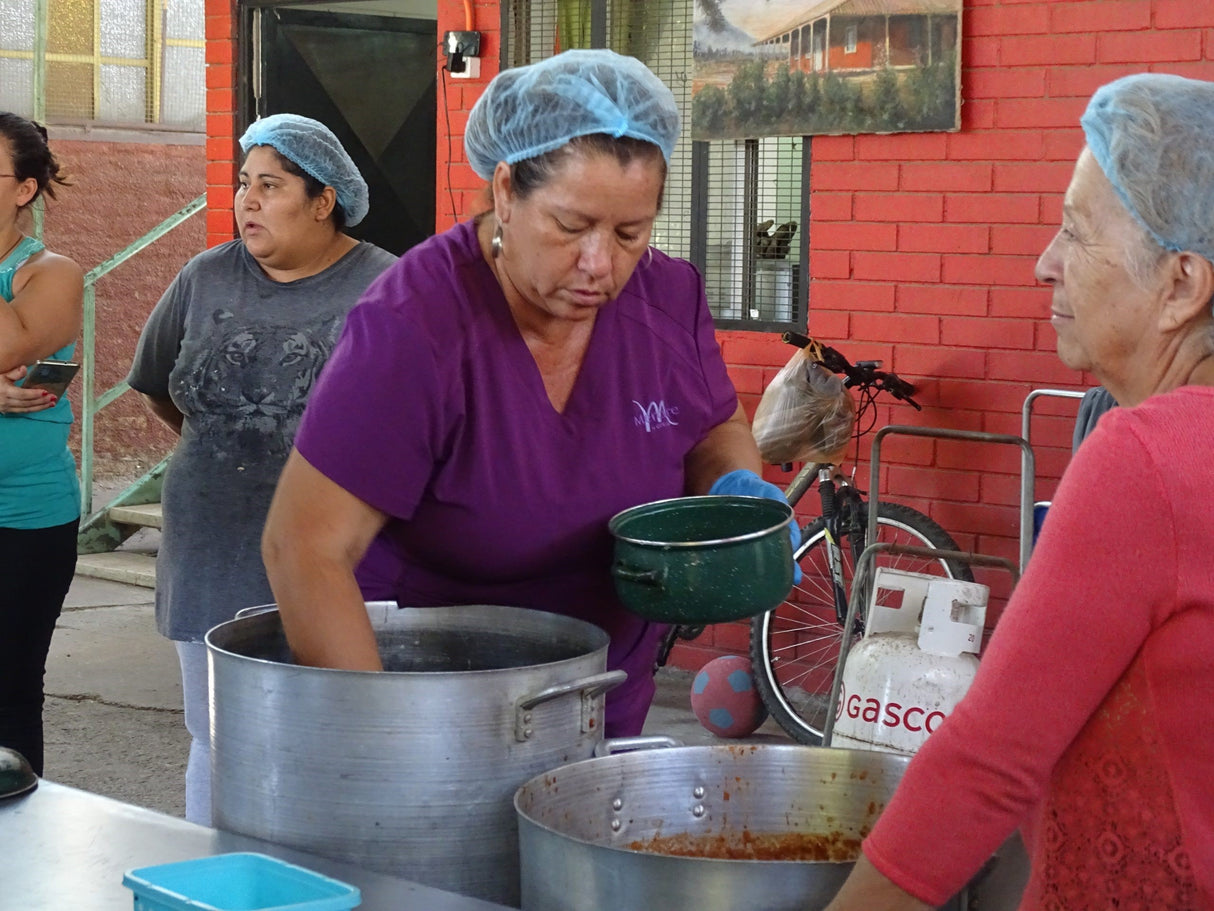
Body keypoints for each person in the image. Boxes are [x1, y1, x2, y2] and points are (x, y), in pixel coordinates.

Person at [260, 49, 793, 738]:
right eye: (570, 227)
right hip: (437, 707)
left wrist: (733, 490)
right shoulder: (414, 326)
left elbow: (713, 425)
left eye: (631, 232)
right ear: (506, 191)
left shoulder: (668, 294)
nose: (600, 263)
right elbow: (303, 548)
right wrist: (385, 740)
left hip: (603, 697)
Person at [825, 73, 1214, 910]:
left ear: (1182, 284)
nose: (1045, 263)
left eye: (1075, 232)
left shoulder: (1148, 459)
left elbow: (986, 763)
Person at [127, 113, 396, 824]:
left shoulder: (385, 288)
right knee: (217, 737)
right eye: (245, 183)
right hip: (211, 547)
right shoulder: (205, 276)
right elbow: (158, 384)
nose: (246, 199)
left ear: (323, 199)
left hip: (340, 557)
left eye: (269, 185)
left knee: (332, 738)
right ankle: (215, 879)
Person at [0, 113, 84, 778]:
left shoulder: (53, 272)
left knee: (10, 685)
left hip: (26, 518)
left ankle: (18, 839)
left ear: (24, 190)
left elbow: (11, 345)